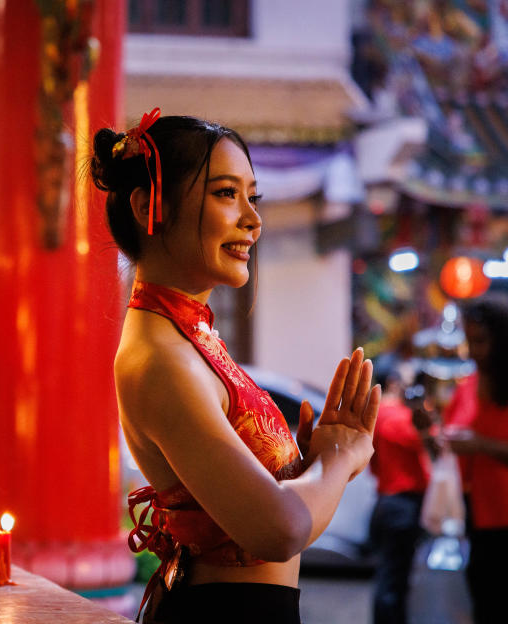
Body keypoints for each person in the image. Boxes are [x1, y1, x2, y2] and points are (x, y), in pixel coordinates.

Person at [91, 110, 381, 624]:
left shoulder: (190, 334)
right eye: (226, 193)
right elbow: (278, 531)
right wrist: (338, 460)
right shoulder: (160, 358)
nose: (253, 218)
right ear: (146, 207)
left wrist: (309, 466)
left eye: (254, 196)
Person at [442, 296, 508, 624]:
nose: (474, 351)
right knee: (484, 599)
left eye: (481, 341)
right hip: (477, 515)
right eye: (469, 342)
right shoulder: (469, 384)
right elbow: (449, 435)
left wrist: (480, 444)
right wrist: (429, 430)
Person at [368, 367, 435, 624]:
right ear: (394, 383)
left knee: (390, 575)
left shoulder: (376, 417)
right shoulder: (398, 418)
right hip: (402, 503)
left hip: (387, 499)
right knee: (395, 578)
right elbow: (427, 442)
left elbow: (372, 464)